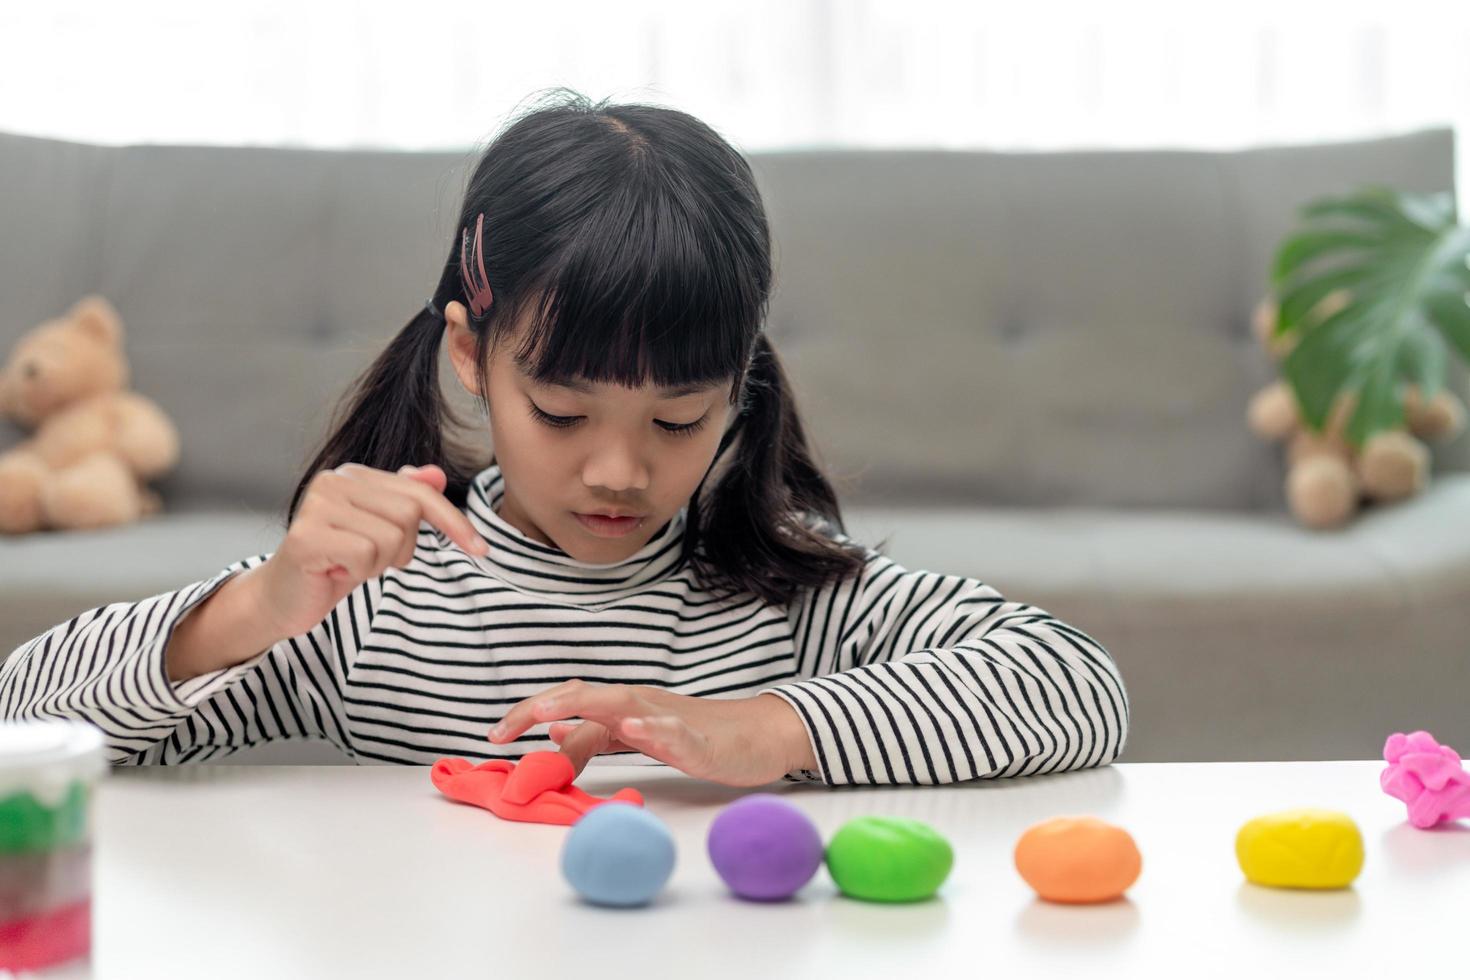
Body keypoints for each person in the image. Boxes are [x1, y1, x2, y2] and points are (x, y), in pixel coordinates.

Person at [0, 89, 1128, 786]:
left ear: (738, 389)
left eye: (678, 418)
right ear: (468, 353)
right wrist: (255, 607)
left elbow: (1077, 686)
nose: (618, 468)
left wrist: (765, 726)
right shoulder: (368, 603)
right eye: (562, 409)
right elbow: (19, 721)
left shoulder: (787, 594)